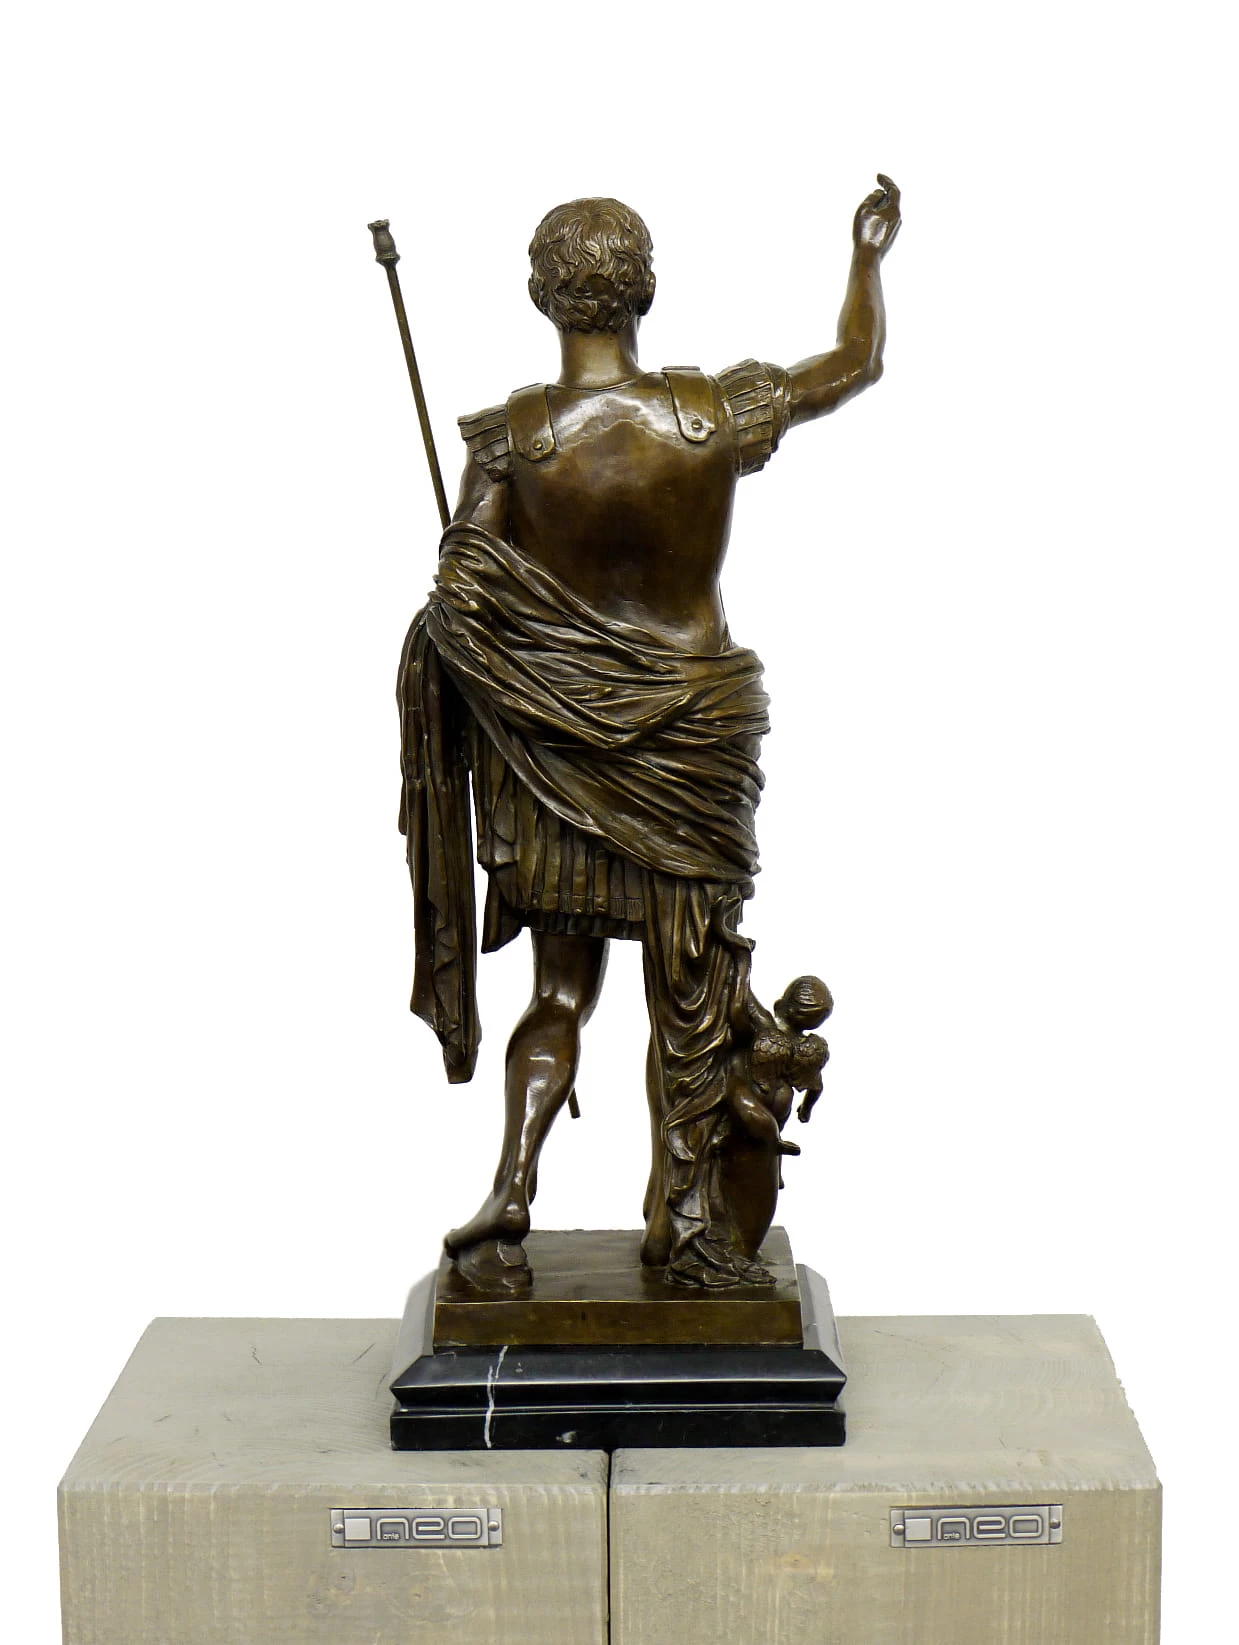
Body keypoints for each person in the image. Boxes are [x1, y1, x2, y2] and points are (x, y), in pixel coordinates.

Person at [399, 180, 900, 1289]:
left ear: (541, 298)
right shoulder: (711, 415)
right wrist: (868, 256)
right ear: (648, 291)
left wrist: (491, 634)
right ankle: (684, 1222)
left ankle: (513, 1189)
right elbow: (851, 364)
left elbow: (459, 602)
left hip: (561, 764)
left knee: (559, 993)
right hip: (691, 748)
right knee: (691, 1004)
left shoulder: (511, 442)